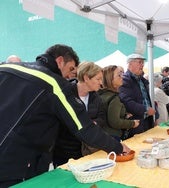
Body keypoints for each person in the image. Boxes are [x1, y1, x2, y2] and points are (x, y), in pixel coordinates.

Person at [0, 44, 130, 187]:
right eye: (70, 69)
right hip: (17, 163)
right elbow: (83, 127)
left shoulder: (6, 68)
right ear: (60, 61)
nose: (70, 75)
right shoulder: (54, 83)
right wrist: (117, 147)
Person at [53, 62, 106, 166]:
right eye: (98, 79)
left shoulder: (97, 98)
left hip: (88, 149)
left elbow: (102, 118)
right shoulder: (65, 94)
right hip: (65, 151)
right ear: (86, 78)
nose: (101, 83)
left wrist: (95, 123)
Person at [119, 53, 156, 138]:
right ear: (130, 64)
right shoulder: (125, 80)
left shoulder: (141, 80)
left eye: (143, 63)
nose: (142, 65)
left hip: (146, 120)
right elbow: (126, 102)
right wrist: (145, 109)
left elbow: (146, 98)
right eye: (139, 62)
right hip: (135, 123)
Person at [99, 65, 140, 141]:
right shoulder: (114, 98)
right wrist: (132, 123)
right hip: (112, 137)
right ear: (110, 79)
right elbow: (115, 122)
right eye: (119, 75)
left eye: (122, 74)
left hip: (102, 136)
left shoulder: (101, 94)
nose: (122, 77)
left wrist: (124, 115)